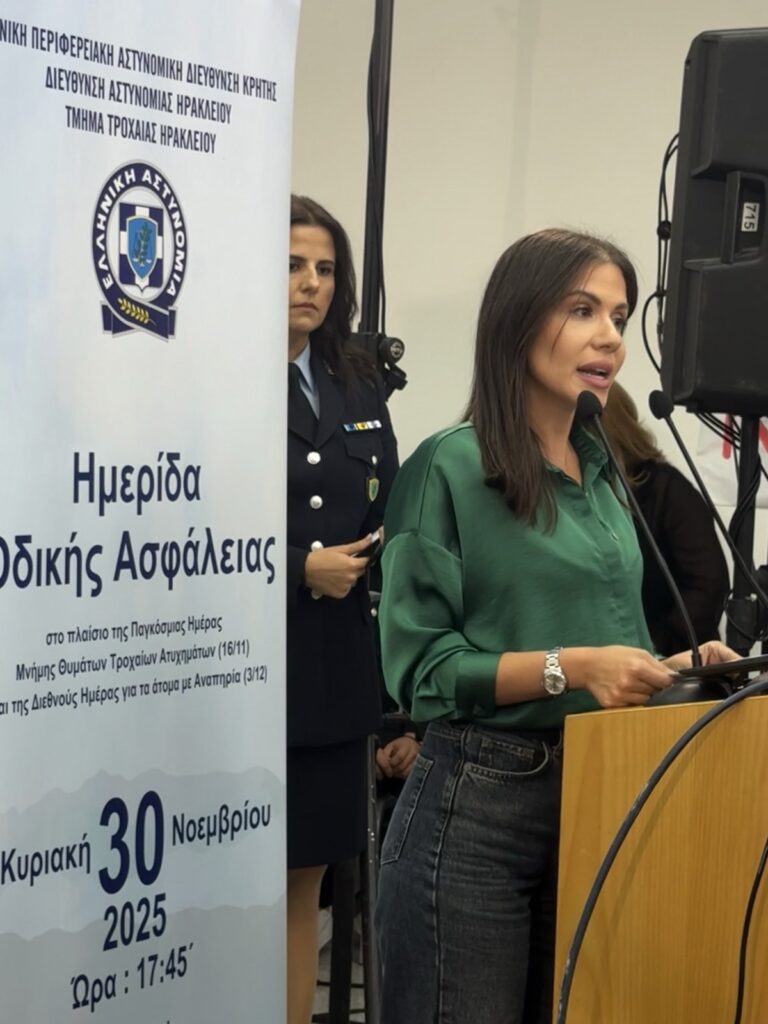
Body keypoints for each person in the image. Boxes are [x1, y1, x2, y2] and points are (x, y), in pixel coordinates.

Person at [374, 228, 737, 1024]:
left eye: (619, 316)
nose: (610, 336)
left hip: (600, 795)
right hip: (477, 808)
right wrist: (572, 667)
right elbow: (421, 673)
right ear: (518, 320)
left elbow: (603, 643)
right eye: (583, 310)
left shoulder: (604, 472)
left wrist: (677, 666)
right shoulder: (448, 466)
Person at [285, 194, 398, 1024]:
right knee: (234, 879)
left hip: (332, 675)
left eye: (325, 269)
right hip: (237, 668)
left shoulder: (354, 379)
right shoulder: (208, 375)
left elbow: (383, 494)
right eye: (292, 264)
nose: (311, 284)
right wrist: (295, 568)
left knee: (306, 880)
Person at [602, 382, 730, 655]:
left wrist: (656, 645)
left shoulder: (666, 489)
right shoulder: (583, 492)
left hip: (676, 658)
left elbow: (709, 584)